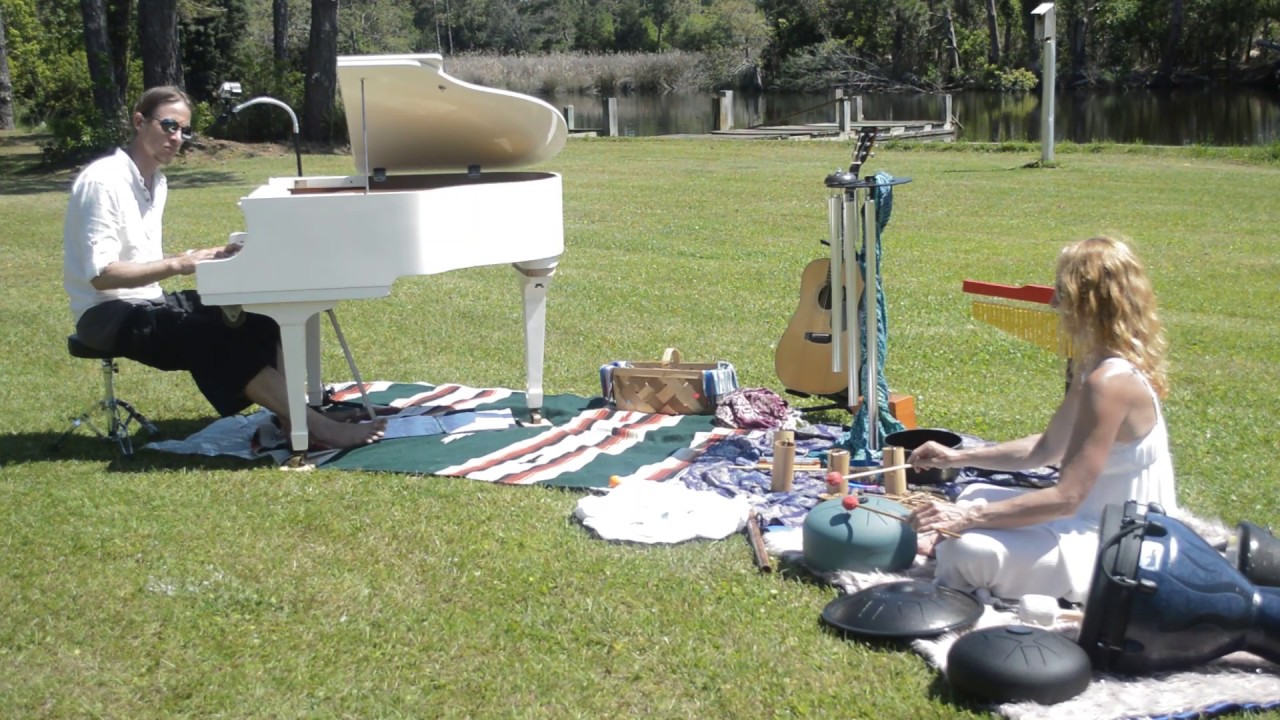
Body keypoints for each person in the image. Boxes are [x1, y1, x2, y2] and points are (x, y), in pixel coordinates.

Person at [62, 85, 385, 450]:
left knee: (259, 311)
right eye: (169, 125)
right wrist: (180, 264)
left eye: (184, 130)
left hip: (148, 300)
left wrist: (210, 254)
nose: (177, 137)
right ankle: (318, 428)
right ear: (140, 121)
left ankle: (290, 418)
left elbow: (142, 257)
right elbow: (101, 274)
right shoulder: (104, 181)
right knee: (204, 331)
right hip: (104, 315)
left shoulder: (157, 180)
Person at [907, 236, 1178, 602]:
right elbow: (1046, 447)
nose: (1052, 302)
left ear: (1089, 304)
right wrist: (958, 457)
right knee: (973, 493)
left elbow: (1066, 497)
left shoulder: (1110, 382)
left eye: (1061, 293)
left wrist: (967, 519)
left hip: (1124, 548)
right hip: (1089, 517)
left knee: (967, 550)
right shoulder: (1094, 366)